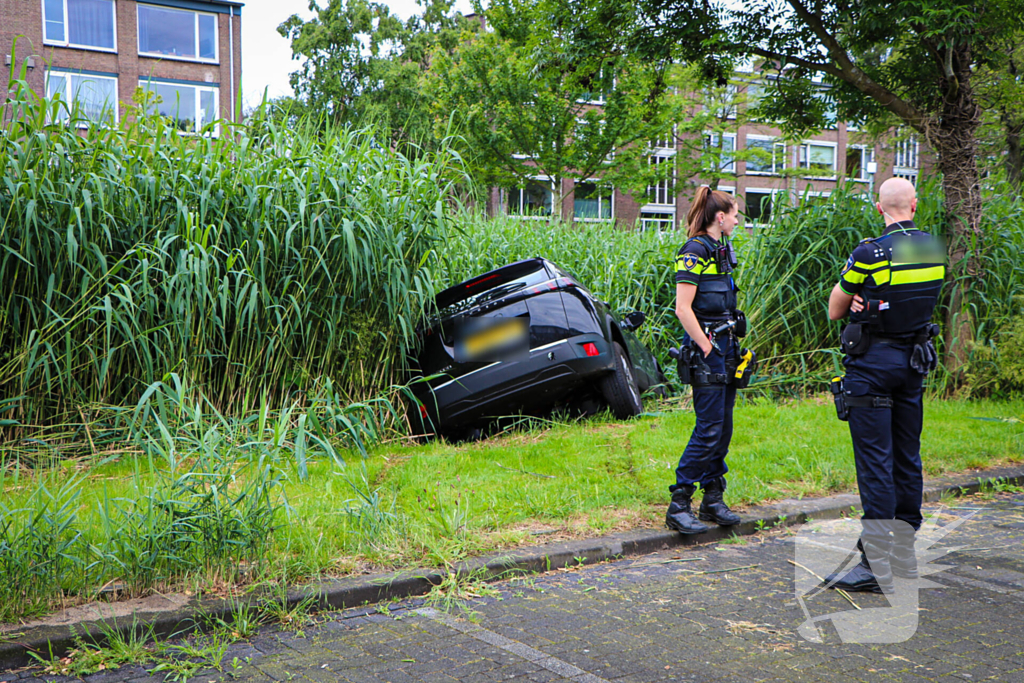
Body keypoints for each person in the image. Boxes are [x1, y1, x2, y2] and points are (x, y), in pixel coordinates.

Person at [825, 177, 945, 593]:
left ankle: (874, 566)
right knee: (907, 456)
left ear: (880, 209)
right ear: (915, 205)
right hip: (914, 363)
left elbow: (835, 309)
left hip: (873, 365)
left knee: (876, 463)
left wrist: (861, 294)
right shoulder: (934, 248)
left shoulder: (870, 252)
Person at [665, 186, 744, 535]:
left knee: (723, 427)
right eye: (736, 214)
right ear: (720, 217)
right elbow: (683, 309)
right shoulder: (695, 250)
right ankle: (679, 502)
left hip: (726, 346)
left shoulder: (721, 249)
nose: (739, 220)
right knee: (708, 426)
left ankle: (713, 498)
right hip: (707, 349)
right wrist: (707, 348)